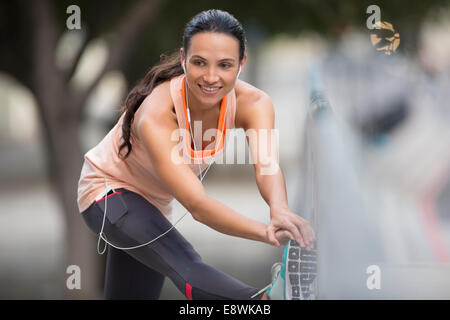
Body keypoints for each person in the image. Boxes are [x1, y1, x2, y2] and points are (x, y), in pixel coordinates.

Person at [77, 9, 315, 300]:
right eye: (200, 63)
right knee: (185, 262)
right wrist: (266, 232)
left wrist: (279, 210)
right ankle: (264, 300)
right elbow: (198, 205)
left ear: (242, 64)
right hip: (107, 193)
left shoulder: (255, 103)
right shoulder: (157, 114)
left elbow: (267, 166)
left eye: (225, 65)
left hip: (152, 206)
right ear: (183, 59)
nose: (211, 77)